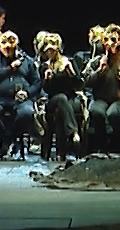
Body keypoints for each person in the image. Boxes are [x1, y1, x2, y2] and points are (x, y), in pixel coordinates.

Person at [0, 30, 40, 158]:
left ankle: (10, 140)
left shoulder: (26, 60)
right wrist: (9, 69)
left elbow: (36, 82)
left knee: (27, 113)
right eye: (4, 44)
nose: (7, 47)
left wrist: (27, 93)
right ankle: (7, 140)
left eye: (11, 45)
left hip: (19, 98)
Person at [83, 23, 120, 154]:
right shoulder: (97, 61)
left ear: (119, 42)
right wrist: (99, 71)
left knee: (113, 113)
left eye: (113, 39)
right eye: (106, 40)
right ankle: (102, 145)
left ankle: (119, 144)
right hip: (101, 99)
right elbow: (87, 82)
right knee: (97, 111)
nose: (109, 43)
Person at [36, 32, 85, 163]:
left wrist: (71, 73)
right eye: (48, 49)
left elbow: (79, 85)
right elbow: (46, 90)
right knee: (61, 99)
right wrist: (47, 79)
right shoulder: (44, 66)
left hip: (70, 99)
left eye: (53, 48)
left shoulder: (68, 62)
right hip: (52, 100)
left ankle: (60, 153)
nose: (50, 51)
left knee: (60, 112)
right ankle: (74, 134)